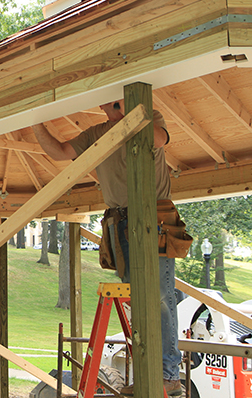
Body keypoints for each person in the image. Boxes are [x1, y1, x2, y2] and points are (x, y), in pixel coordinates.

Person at [32, 100, 182, 397]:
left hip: (155, 218)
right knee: (137, 299)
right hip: (122, 223)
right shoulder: (97, 133)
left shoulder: (149, 116)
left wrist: (128, 110)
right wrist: (35, 121)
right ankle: (150, 374)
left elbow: (159, 139)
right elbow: (61, 152)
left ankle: (167, 374)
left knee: (161, 296)